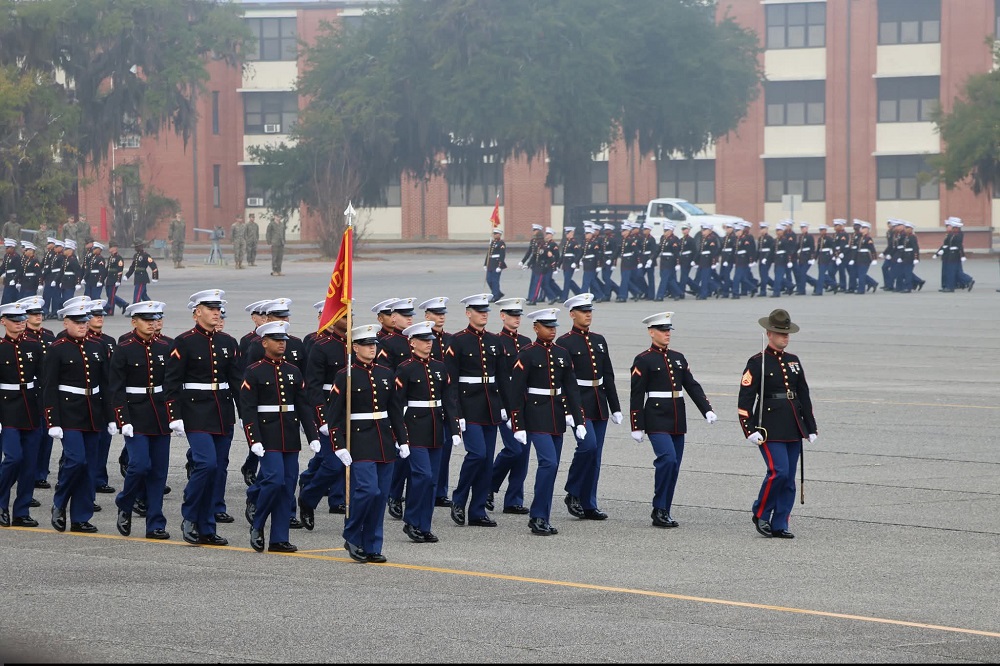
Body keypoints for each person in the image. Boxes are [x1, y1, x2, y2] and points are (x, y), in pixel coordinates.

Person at [164, 289, 241, 546]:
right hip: (195, 412)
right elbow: (172, 382)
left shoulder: (228, 342)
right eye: (211, 308)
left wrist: (246, 414)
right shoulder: (184, 342)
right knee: (206, 464)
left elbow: (237, 381)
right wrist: (174, 415)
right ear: (197, 312)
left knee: (217, 470)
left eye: (218, 308)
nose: (217, 313)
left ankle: (207, 527)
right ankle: (190, 516)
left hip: (222, 412)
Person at [326, 323, 405, 563]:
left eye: (374, 344)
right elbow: (334, 415)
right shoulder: (345, 375)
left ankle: (372, 545)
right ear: (355, 347)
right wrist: (338, 445)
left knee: (380, 497)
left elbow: (394, 410)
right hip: (359, 441)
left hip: (384, 440)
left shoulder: (386, 373)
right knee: (368, 490)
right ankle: (352, 534)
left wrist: (403, 440)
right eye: (366, 344)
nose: (372, 348)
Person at [629, 312, 717, 528]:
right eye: (662, 330)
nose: (667, 334)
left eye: (668, 330)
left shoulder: (678, 358)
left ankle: (665, 510)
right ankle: (658, 508)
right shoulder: (644, 359)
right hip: (656, 418)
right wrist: (637, 425)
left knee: (674, 466)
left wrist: (706, 409)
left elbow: (691, 385)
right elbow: (637, 394)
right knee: (667, 459)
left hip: (677, 418)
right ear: (651, 332)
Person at [241, 320, 319, 554]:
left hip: (289, 434)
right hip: (267, 435)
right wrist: (253, 439)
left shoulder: (293, 371)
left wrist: (312, 435)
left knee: (287, 486)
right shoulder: (254, 371)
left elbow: (303, 405)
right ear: (264, 343)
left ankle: (279, 538)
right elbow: (248, 409)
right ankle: (258, 524)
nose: (281, 344)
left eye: (283, 340)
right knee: (274, 480)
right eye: (276, 340)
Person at [738, 309, 817, 539]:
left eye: (787, 333)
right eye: (781, 333)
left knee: (789, 478)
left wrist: (810, 427)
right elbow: (745, 398)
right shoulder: (757, 362)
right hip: (768, 427)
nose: (785, 337)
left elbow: (803, 395)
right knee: (778, 472)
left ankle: (780, 522)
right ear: (769, 334)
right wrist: (748, 429)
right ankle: (761, 513)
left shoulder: (793, 361)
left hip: (793, 425)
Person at [508, 308, 586, 536]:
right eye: (547, 326)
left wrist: (579, 420)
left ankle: (544, 517)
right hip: (535, 416)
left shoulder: (562, 354)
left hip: (556, 416)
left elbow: (571, 389)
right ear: (536, 328)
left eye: (554, 326)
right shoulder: (527, 354)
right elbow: (516, 391)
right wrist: (517, 424)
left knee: (552, 468)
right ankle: (538, 516)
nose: (552, 330)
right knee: (548, 463)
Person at [443, 293, 509, 528]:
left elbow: (503, 378)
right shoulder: (458, 341)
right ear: (468, 313)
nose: (484, 314)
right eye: (479, 311)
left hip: (490, 407)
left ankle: (478, 510)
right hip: (468, 406)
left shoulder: (494, 341)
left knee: (487, 460)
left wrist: (507, 408)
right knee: (477, 454)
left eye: (486, 311)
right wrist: (456, 414)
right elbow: (450, 382)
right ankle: (459, 498)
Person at [43, 299, 110, 533]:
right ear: (66, 322)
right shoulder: (57, 348)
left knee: (90, 466)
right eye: (78, 322)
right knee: (76, 460)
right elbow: (49, 386)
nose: (83, 325)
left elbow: (105, 384)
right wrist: (52, 421)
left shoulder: (97, 346)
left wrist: (111, 417)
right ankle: (60, 502)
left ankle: (81, 517)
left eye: (85, 321)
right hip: (68, 412)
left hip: (93, 413)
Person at [393, 320, 459, 543]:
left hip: (435, 429)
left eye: (430, 339)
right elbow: (397, 404)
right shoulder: (405, 368)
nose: (428, 343)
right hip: (414, 429)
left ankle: (424, 525)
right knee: (423, 476)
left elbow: (448, 400)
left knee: (431, 481)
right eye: (423, 340)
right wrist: (399, 436)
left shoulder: (440, 367)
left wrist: (455, 429)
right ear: (412, 343)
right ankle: (411, 521)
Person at [109, 301, 172, 540]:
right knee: (139, 465)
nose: (151, 324)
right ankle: (125, 502)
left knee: (158, 472)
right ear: (134, 322)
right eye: (146, 320)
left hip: (160, 415)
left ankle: (155, 523)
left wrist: (174, 415)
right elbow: (116, 388)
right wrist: (122, 419)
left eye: (154, 319)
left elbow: (172, 384)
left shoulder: (166, 347)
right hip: (135, 415)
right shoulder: (124, 348)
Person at [558, 293, 622, 521]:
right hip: (578, 403)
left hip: (598, 401)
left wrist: (615, 407)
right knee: (588, 446)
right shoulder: (564, 342)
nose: (588, 315)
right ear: (572, 314)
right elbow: (561, 381)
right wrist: (567, 409)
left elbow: (608, 375)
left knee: (595, 455)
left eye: (589, 311)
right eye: (583, 311)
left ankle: (589, 504)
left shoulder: (599, 340)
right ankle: (573, 491)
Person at [297, 314, 349, 527]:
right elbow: (314, 386)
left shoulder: (358, 346)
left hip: (353, 414)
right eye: (344, 316)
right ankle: (308, 498)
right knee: (333, 464)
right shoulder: (321, 347)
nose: (349, 319)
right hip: (329, 413)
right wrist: (322, 418)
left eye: (351, 315)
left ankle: (352, 513)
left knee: (347, 464)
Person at [0, 302, 44, 528]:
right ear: (3, 321)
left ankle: (22, 511)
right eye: (14, 320)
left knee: (29, 464)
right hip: (7, 410)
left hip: (31, 408)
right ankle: (1, 504)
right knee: (13, 458)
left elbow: (43, 378)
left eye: (22, 320)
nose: (19, 323)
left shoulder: (34, 345)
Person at [489, 297, 532, 515]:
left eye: (518, 315)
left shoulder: (526, 341)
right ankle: (488, 485)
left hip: (525, 403)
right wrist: (501, 405)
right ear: (502, 316)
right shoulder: (496, 342)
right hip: (505, 404)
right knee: (513, 449)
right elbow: (496, 376)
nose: (516, 319)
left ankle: (514, 499)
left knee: (523, 453)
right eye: (512, 315)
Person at [104, 241, 128, 316]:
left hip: (114, 279)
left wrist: (118, 280)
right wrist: (102, 278)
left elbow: (120, 270)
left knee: (111, 295)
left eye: (111, 247)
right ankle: (124, 304)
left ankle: (110, 311)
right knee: (109, 294)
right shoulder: (110, 257)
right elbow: (107, 269)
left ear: (115, 248)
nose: (109, 248)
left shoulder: (119, 258)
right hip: (109, 278)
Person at [485, 227, 506, 302]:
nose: (494, 235)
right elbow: (488, 254)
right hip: (490, 264)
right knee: (489, 279)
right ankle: (498, 293)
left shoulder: (501, 243)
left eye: (496, 234)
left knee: (495, 281)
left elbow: (502, 255)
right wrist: (485, 264)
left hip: (497, 264)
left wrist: (500, 266)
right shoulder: (492, 242)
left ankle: (495, 296)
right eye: (494, 233)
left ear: (500, 235)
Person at [1, 238, 22, 304]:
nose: (6, 249)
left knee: (9, 296)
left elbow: (19, 270)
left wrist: (14, 279)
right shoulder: (6, 256)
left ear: (12, 248)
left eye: (7, 248)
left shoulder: (16, 257)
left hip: (12, 279)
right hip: (7, 278)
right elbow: (3, 267)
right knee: (8, 296)